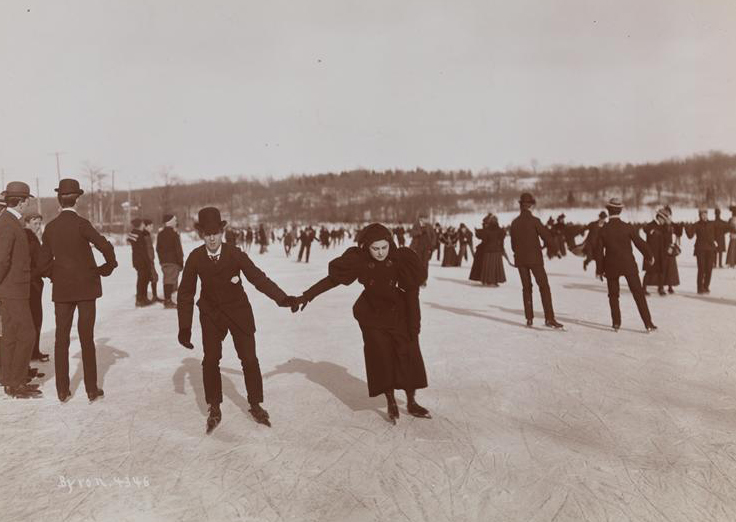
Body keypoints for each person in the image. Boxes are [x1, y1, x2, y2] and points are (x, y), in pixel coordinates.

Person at [176, 207, 299, 433]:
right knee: (211, 359)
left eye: (215, 233)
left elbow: (258, 278)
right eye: (207, 233)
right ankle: (214, 405)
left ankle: (255, 403)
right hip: (211, 314)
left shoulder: (235, 254)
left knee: (249, 358)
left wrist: (282, 299)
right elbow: (185, 293)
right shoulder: (195, 258)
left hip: (238, 312)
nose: (212, 238)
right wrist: (184, 327)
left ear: (222, 232)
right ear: (201, 234)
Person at [295, 223, 430, 424]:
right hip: (372, 316)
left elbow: (412, 293)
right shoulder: (359, 260)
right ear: (367, 246)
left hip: (398, 314)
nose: (380, 252)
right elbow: (332, 280)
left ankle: (411, 401)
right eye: (375, 248)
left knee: (408, 353)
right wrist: (307, 296)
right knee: (382, 358)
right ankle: (391, 400)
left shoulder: (401, 258)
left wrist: (414, 325)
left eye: (384, 247)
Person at [38, 178, 117, 402]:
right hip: (86, 289)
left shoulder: (51, 228)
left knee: (61, 339)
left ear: (58, 200)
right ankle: (91, 389)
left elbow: (43, 264)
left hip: (62, 291)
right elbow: (104, 245)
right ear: (77, 199)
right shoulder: (83, 224)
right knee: (86, 337)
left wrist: (57, 275)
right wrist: (107, 267)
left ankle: (62, 390)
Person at [0, 182, 42, 398]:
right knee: (27, 333)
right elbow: (2, 259)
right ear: (22, 201)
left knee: (10, 335)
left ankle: (7, 379)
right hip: (12, 290)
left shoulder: (9, 220)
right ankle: (16, 383)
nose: (28, 204)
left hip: (11, 289)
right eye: (28, 200)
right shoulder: (8, 223)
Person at [594, 197, 657, 332]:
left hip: (611, 266)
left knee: (613, 295)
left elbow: (599, 252)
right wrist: (649, 255)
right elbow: (640, 243)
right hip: (629, 265)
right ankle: (648, 323)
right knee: (638, 294)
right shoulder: (627, 227)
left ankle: (616, 323)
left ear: (608, 210)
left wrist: (599, 270)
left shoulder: (603, 230)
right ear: (620, 210)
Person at [509, 193, 563, 328]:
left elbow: (513, 245)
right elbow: (547, 237)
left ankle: (529, 319)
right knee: (544, 287)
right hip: (535, 260)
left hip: (520, 260)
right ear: (531, 206)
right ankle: (549, 319)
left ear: (521, 205)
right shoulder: (535, 221)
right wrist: (556, 249)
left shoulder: (514, 223)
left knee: (526, 288)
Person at [24, 213, 49, 362]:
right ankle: (31, 353)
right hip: (31, 284)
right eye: (35, 223)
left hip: (34, 283)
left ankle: (34, 351)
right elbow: (32, 261)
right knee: (34, 318)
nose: (38, 226)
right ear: (27, 222)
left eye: (40, 223)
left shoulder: (32, 237)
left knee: (36, 318)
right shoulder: (27, 237)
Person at [469, 214, 507, 286]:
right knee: (495, 266)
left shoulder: (487, 230)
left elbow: (482, 237)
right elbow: (502, 237)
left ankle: (486, 280)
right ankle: (494, 281)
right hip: (496, 250)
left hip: (488, 250)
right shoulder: (499, 230)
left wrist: (477, 232)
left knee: (487, 266)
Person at [685, 208, 716, 294]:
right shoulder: (696, 225)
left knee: (709, 269)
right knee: (701, 269)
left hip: (710, 249)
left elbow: (719, 232)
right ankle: (700, 288)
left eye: (705, 214)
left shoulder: (711, 224)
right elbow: (690, 236)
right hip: (700, 250)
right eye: (702, 214)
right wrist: (687, 228)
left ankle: (706, 286)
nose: (704, 216)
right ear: (700, 216)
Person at [156, 214, 184, 309]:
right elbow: (178, 249)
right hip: (173, 261)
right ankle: (168, 301)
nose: (176, 222)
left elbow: (158, 248)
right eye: (175, 220)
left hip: (164, 261)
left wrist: (161, 260)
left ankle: (168, 299)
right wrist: (180, 262)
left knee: (168, 279)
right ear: (170, 221)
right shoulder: (174, 234)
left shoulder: (160, 234)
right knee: (169, 280)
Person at [128, 218, 153, 307]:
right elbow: (143, 250)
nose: (144, 226)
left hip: (137, 260)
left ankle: (143, 298)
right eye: (142, 224)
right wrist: (147, 261)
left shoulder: (134, 234)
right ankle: (140, 299)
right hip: (142, 260)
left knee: (143, 279)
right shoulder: (139, 235)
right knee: (143, 279)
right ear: (139, 225)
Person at [409, 213, 436, 286]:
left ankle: (423, 280)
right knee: (418, 263)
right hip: (418, 247)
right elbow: (411, 234)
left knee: (425, 264)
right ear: (421, 218)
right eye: (425, 218)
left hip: (427, 247)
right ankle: (417, 279)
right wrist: (419, 232)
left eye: (427, 218)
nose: (426, 220)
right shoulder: (416, 225)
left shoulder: (429, 226)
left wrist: (432, 245)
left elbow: (434, 236)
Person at [143, 219, 162, 303]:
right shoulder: (145, 235)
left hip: (149, 260)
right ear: (146, 226)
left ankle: (152, 296)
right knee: (153, 277)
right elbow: (147, 249)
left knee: (153, 277)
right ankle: (151, 296)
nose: (152, 228)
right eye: (150, 226)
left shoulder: (147, 235)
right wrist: (150, 259)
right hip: (148, 261)